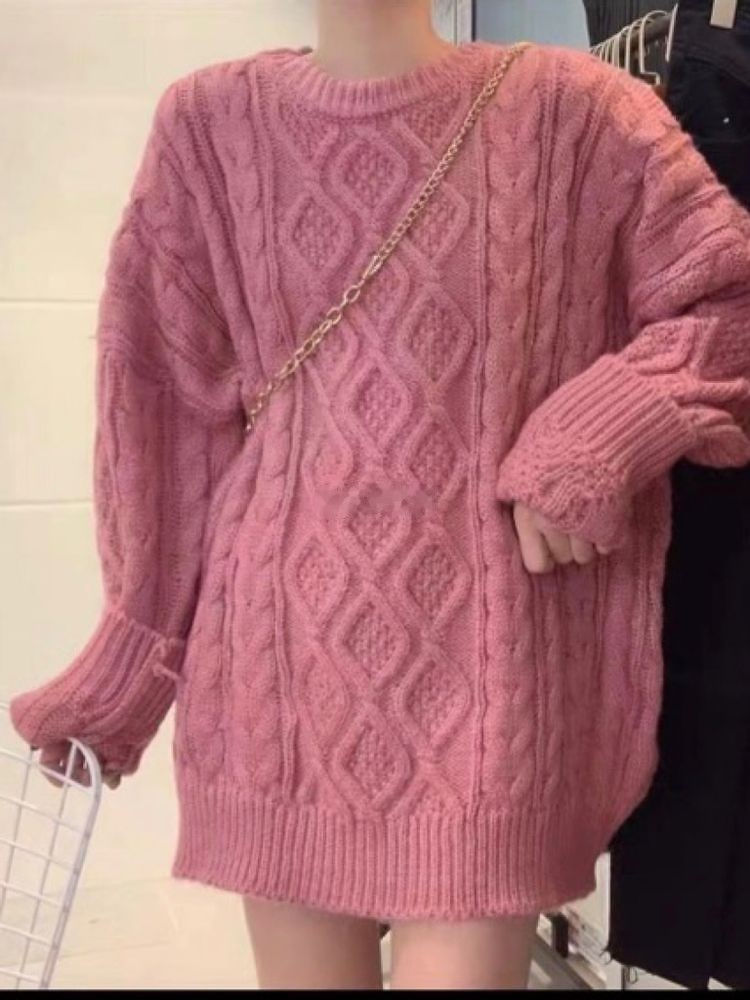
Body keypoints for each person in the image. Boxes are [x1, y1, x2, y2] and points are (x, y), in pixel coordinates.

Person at [8, 0, 750, 990]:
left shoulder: (578, 112)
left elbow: (729, 299)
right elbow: (162, 407)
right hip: (276, 672)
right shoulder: (210, 123)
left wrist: (596, 435)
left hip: (492, 681)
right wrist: (133, 652)